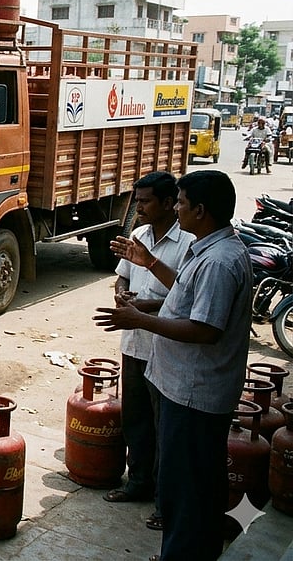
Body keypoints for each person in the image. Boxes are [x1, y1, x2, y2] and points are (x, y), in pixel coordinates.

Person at [94, 170, 251, 561]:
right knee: (193, 484)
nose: (177, 209)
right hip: (186, 388)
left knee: (187, 489)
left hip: (194, 393)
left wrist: (141, 320)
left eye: (181, 202)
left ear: (200, 210)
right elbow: (185, 299)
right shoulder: (209, 250)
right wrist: (145, 293)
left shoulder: (218, 262)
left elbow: (205, 328)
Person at [102, 172, 193, 531]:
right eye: (137, 200)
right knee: (136, 419)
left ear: (169, 203)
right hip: (134, 343)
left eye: (145, 201)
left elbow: (185, 297)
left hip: (165, 346)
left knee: (164, 427)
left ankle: (163, 500)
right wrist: (122, 295)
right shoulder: (138, 235)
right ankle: (138, 482)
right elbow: (122, 275)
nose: (138, 207)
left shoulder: (188, 242)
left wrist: (144, 308)